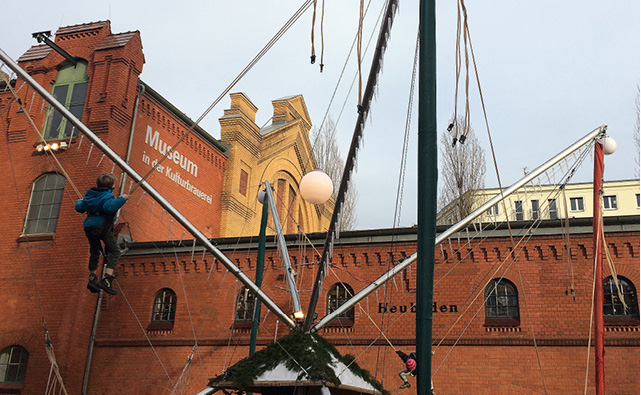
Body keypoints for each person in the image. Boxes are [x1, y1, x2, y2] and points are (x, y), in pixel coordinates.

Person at [75, 173, 129, 295]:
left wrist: (80, 201)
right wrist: (122, 199)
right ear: (111, 185)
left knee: (94, 251)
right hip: (102, 227)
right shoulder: (107, 195)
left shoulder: (89, 195)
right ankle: (107, 278)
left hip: (89, 226)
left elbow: (79, 207)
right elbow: (109, 207)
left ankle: (92, 277)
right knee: (115, 251)